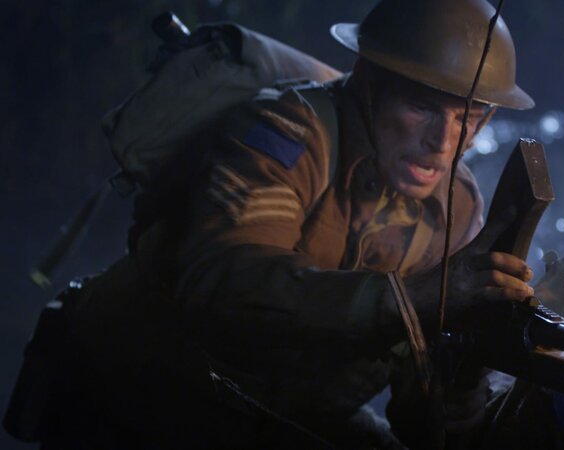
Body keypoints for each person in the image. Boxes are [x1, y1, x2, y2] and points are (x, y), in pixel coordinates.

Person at [47, 0, 537, 448]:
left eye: (469, 117)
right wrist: (408, 300)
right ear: (367, 80)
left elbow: (415, 410)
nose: (445, 143)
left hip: (281, 409)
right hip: (147, 389)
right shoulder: (289, 134)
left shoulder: (455, 207)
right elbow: (226, 282)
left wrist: (455, 394)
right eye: (422, 107)